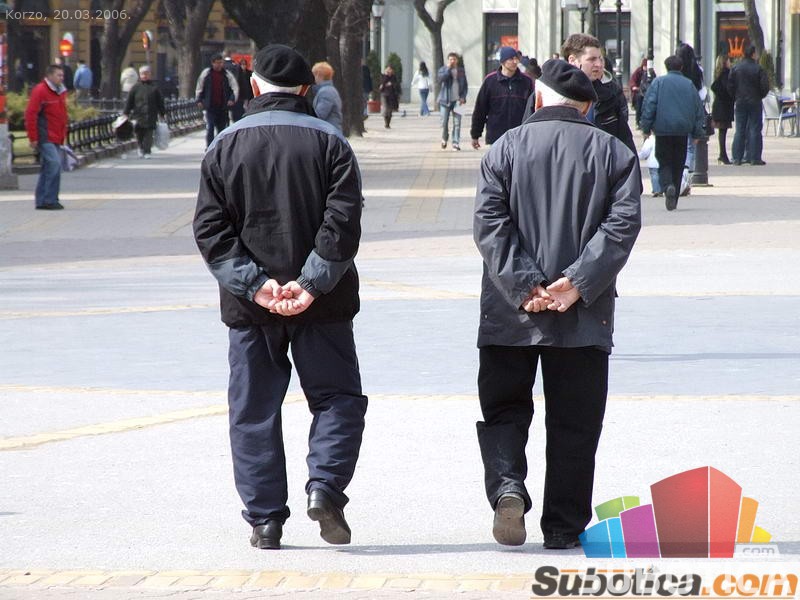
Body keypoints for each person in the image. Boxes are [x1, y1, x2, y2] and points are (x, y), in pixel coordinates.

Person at [193, 44, 368, 551]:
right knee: (337, 398)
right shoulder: (332, 142)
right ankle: (325, 487)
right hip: (325, 302)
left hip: (251, 307)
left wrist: (257, 285)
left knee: (253, 411)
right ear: (306, 89)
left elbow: (211, 230)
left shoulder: (223, 145)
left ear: (253, 86)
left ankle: (265, 520)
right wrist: (310, 283)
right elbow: (342, 223)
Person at [473, 59, 641, 550]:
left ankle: (507, 485)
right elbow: (622, 226)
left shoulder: (504, 148)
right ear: (587, 107)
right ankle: (563, 526)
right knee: (575, 422)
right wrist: (577, 283)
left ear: (539, 97)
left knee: (504, 408)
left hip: (510, 310)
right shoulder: (614, 152)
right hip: (584, 312)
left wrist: (526, 285)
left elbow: (489, 224)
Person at [523, 34, 636, 156]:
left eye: (600, 58)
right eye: (592, 59)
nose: (599, 64)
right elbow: (526, 141)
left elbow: (625, 144)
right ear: (572, 60)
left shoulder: (610, 94)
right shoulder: (544, 94)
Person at [639, 55, 705, 211]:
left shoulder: (658, 83)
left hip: (662, 130)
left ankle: (668, 185)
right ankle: (674, 196)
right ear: (681, 67)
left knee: (664, 161)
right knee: (678, 162)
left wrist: (646, 128)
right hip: (682, 130)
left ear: (666, 67)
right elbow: (698, 109)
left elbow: (649, 105)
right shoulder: (689, 84)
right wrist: (697, 133)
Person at [470, 46, 534, 149]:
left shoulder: (527, 81)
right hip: (496, 136)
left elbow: (533, 109)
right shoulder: (490, 81)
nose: (515, 62)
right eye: (511, 59)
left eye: (516, 59)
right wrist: (475, 134)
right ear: (502, 61)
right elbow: (480, 110)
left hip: (520, 136)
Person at [24, 64, 68, 210]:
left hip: (56, 135)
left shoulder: (60, 91)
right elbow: (31, 114)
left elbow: (61, 115)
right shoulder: (40, 91)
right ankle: (50, 199)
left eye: (62, 75)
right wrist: (33, 137)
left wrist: (63, 134)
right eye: (58, 75)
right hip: (45, 135)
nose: (61, 78)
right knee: (55, 164)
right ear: (49, 76)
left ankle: (42, 200)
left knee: (48, 167)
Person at [727, 44, 770, 166]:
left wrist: (735, 96)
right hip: (755, 101)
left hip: (740, 101)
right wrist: (760, 95)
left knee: (740, 129)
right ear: (753, 54)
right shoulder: (758, 69)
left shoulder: (736, 68)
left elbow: (730, 85)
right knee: (755, 129)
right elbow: (765, 86)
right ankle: (754, 157)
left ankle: (737, 158)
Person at [195, 53, 239, 149]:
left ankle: (220, 148)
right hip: (210, 106)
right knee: (210, 127)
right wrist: (199, 100)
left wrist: (232, 99)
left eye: (221, 63)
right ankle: (210, 147)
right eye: (217, 63)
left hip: (223, 107)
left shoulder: (227, 75)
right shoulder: (206, 74)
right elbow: (200, 87)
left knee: (222, 129)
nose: (220, 65)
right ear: (213, 63)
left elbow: (234, 88)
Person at [123, 65, 165, 159]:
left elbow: (160, 102)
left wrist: (162, 113)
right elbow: (129, 101)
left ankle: (147, 151)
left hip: (151, 115)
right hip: (138, 115)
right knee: (139, 133)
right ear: (140, 75)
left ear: (150, 74)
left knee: (148, 134)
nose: (144, 76)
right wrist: (126, 112)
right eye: (142, 74)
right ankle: (140, 148)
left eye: (146, 74)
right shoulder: (135, 88)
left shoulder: (154, 88)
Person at [437, 52, 468, 150]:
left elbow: (465, 86)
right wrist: (448, 69)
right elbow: (441, 80)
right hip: (445, 100)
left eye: (454, 59)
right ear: (448, 60)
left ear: (457, 60)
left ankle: (455, 143)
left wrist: (463, 97)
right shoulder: (443, 70)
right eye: (450, 59)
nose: (452, 61)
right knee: (444, 122)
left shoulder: (461, 71)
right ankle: (444, 138)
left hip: (458, 101)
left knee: (457, 123)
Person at [710, 54, 735, 165]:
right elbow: (722, 88)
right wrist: (730, 96)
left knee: (722, 131)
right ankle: (723, 155)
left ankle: (722, 154)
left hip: (720, 106)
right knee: (723, 131)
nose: (730, 63)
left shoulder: (719, 73)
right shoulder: (726, 73)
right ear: (725, 62)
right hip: (723, 107)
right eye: (729, 61)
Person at [311, 61, 343, 133]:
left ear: (319, 75)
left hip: (329, 132)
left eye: (314, 74)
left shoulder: (326, 92)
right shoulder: (329, 90)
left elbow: (319, 115)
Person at [379, 64, 400, 129]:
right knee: (385, 108)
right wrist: (386, 76)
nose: (389, 71)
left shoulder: (394, 77)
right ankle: (386, 122)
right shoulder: (383, 76)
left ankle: (388, 124)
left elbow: (397, 85)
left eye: (390, 69)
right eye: (388, 69)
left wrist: (392, 84)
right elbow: (382, 84)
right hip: (384, 94)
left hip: (391, 95)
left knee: (390, 110)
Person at [628, 57, 648, 126]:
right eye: (645, 66)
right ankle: (638, 122)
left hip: (646, 92)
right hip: (639, 92)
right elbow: (633, 80)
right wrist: (634, 86)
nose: (646, 68)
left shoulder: (650, 73)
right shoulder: (638, 71)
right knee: (639, 107)